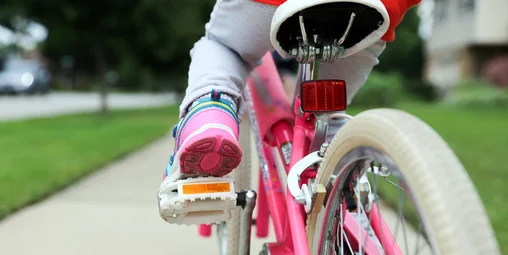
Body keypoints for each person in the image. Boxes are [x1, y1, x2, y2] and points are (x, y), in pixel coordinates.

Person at [158, 0, 420, 219]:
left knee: (225, 47)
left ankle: (211, 111)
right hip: (371, 9)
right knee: (324, 123)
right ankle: (347, 226)